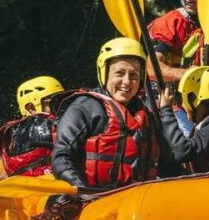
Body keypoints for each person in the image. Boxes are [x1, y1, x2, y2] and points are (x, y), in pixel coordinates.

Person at [50, 37, 160, 189]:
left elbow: (168, 162)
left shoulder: (146, 115)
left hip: (135, 200)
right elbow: (61, 157)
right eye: (119, 73)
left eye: (134, 75)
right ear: (105, 73)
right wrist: (83, 192)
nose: (127, 81)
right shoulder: (84, 108)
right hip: (92, 198)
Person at [159, 66, 209, 173]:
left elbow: (182, 151)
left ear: (195, 98)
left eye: (185, 98)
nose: (183, 104)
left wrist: (166, 110)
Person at [0, 76, 64, 177]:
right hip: (46, 183)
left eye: (62, 100)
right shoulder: (41, 124)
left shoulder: (13, 131)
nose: (61, 106)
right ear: (31, 108)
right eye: (54, 102)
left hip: (22, 184)